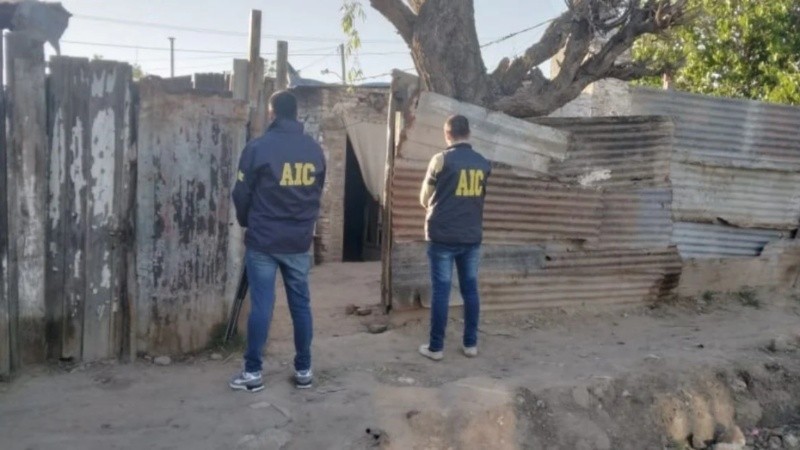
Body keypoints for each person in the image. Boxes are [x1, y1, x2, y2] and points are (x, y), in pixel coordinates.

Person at [229, 90, 326, 392]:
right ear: (296, 113)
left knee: (262, 305)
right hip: (298, 241)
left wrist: (247, 221)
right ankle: (304, 370)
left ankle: (253, 373)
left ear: (272, 113)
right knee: (301, 305)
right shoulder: (314, 150)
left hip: (264, 241)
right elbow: (317, 192)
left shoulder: (257, 148)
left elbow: (240, 194)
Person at [418, 115, 491, 361]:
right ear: (468, 133)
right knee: (470, 289)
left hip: (442, 236)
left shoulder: (440, 160)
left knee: (441, 291)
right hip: (471, 235)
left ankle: (436, 348)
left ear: (447, 135)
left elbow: (424, 198)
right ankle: (470, 344)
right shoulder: (483, 163)